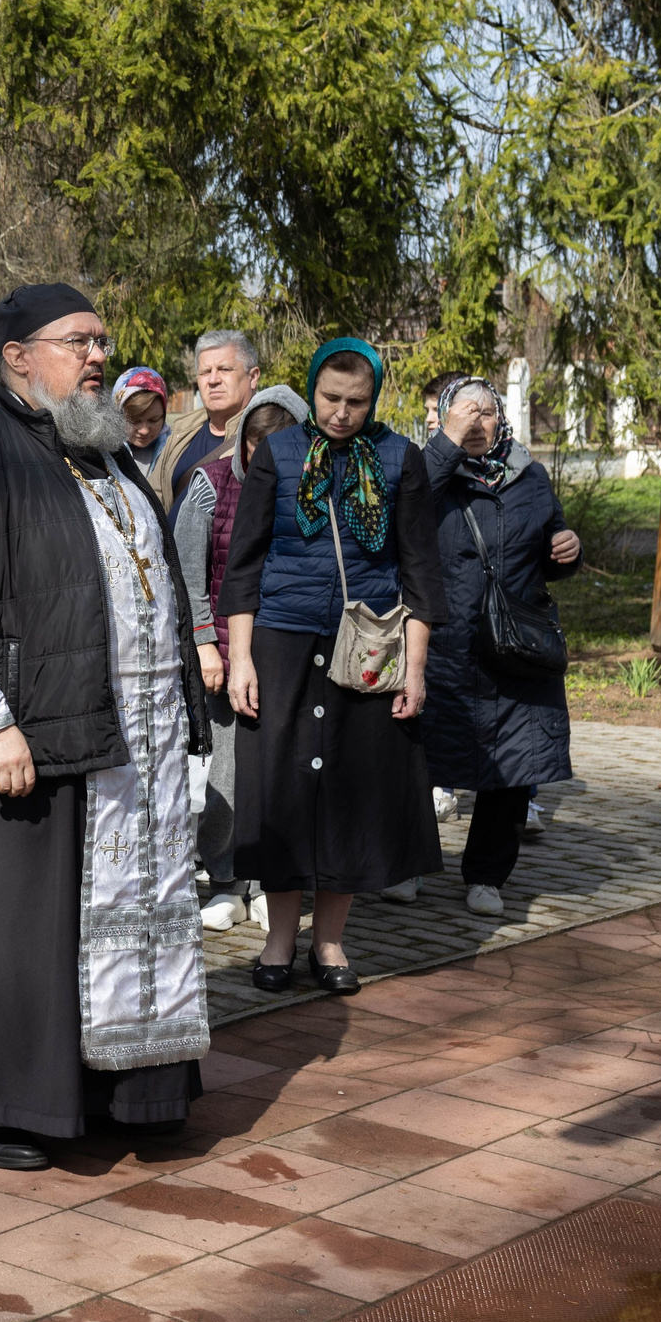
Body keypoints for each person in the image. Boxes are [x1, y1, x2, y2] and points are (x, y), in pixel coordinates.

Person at [0, 282, 211, 1171]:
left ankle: (126, 1083)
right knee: (18, 930)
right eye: (78, 340)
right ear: (19, 356)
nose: (99, 355)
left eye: (102, 339)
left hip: (127, 738)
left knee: (114, 916)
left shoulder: (104, 450)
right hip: (26, 732)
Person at [219, 338, 446, 993]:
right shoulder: (281, 453)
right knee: (284, 792)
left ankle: (331, 942)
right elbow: (244, 564)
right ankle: (279, 941)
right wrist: (240, 659)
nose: (342, 413)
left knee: (351, 794)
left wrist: (416, 667)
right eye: (330, 399)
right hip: (282, 643)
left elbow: (421, 569)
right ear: (311, 390)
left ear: (374, 398)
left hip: (367, 648)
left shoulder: (400, 458)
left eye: (356, 401)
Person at [423, 377, 579, 916]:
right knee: (419, 755)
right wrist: (444, 445)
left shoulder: (529, 476)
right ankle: (412, 864)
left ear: (502, 420)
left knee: (511, 764)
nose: (475, 422)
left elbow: (552, 539)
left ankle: (487, 876)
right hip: (443, 643)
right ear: (444, 418)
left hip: (514, 646)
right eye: (463, 412)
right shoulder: (428, 472)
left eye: (486, 412)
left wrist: (568, 550)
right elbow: (406, 513)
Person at [168, 385, 307, 928]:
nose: (265, 459)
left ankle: (275, 879)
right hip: (223, 655)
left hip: (290, 654)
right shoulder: (209, 487)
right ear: (243, 443)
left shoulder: (316, 493)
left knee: (282, 774)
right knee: (224, 774)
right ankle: (225, 881)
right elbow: (186, 574)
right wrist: (205, 643)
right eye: (256, 446)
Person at [156, 330, 261, 512]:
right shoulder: (181, 432)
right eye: (205, 372)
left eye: (224, 369)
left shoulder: (264, 436)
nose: (213, 380)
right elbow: (153, 497)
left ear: (252, 377)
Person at [115, 367, 172, 479]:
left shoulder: (174, 450)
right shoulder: (103, 455)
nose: (144, 431)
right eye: (134, 421)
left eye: (154, 420)